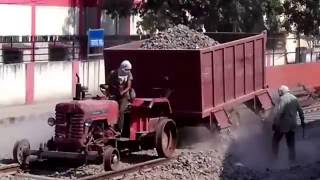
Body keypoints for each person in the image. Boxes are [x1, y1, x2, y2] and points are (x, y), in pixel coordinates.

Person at [272, 85, 305, 163]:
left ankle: (274, 158)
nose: (279, 94)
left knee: (275, 141)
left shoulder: (282, 99)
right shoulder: (294, 98)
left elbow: (279, 113)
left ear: (281, 91)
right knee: (291, 143)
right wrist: (302, 121)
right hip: (292, 124)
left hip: (283, 125)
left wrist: (274, 123)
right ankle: (292, 161)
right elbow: (300, 111)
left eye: (279, 92)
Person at [104, 60, 135, 133]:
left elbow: (129, 86)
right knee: (109, 110)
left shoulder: (129, 74)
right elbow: (107, 84)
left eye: (129, 69)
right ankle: (109, 128)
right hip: (114, 94)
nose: (128, 71)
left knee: (121, 111)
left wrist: (123, 92)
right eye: (127, 69)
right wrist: (108, 94)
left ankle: (121, 129)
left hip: (124, 96)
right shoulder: (113, 73)